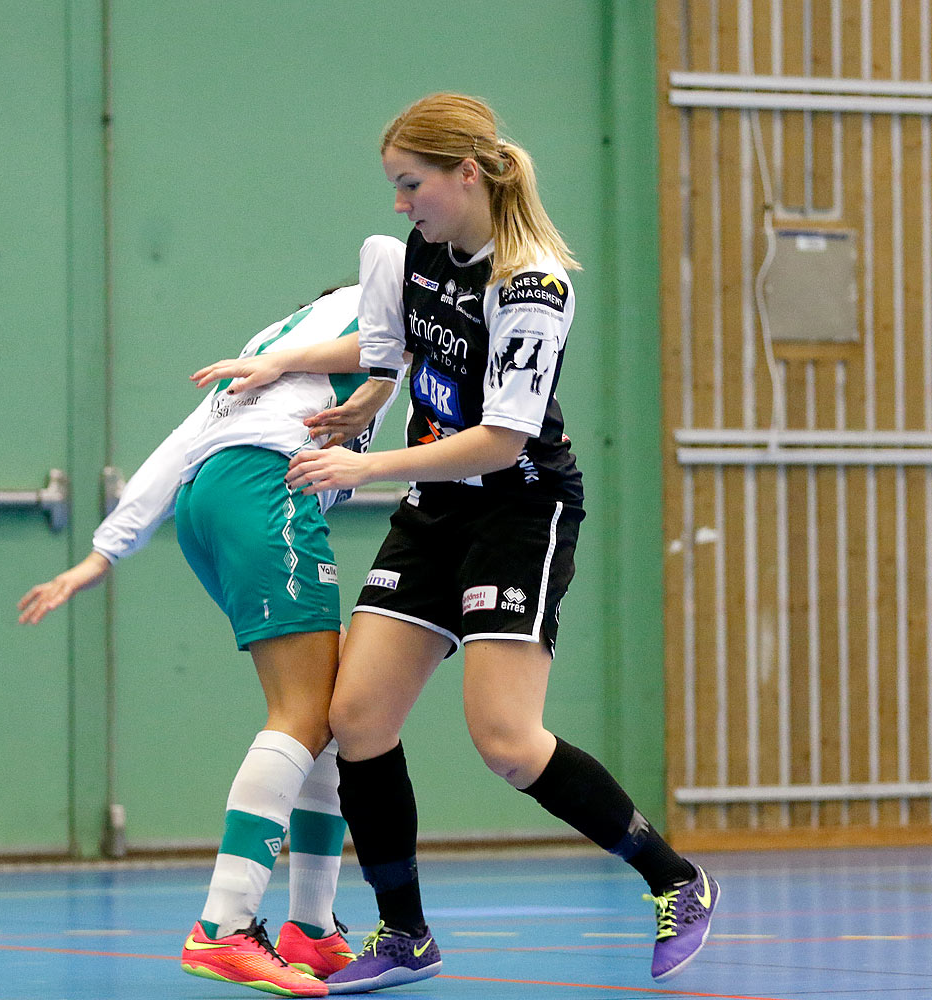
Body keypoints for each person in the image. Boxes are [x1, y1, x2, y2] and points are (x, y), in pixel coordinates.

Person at [193, 93, 718, 994]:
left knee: (508, 741)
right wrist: (309, 377)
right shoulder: (422, 253)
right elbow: (395, 347)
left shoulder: (534, 284)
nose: (401, 205)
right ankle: (406, 934)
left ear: (465, 174)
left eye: (412, 184)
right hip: (438, 503)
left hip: (520, 507)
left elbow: (504, 439)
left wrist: (367, 469)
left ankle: (675, 878)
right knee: (356, 719)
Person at [19, 235, 405, 998]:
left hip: (217, 494)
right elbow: (387, 258)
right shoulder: (356, 316)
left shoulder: (277, 346)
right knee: (300, 713)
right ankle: (223, 927)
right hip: (268, 485)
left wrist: (104, 551)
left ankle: (312, 928)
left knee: (328, 715)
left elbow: (181, 442)